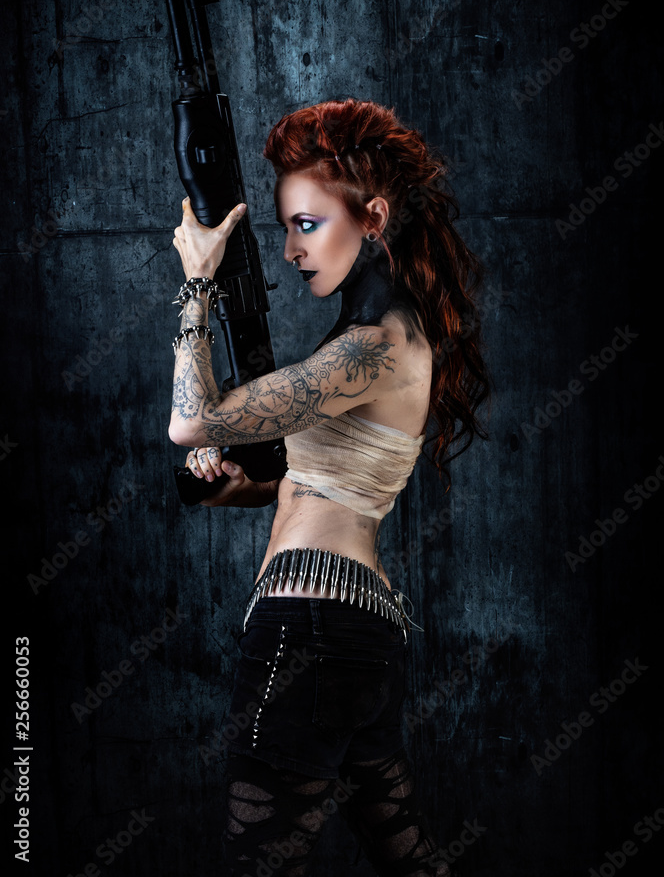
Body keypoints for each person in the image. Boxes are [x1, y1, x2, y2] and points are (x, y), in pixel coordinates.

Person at [169, 98, 490, 876]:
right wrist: (240, 484)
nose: (288, 250)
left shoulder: (371, 348)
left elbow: (190, 420)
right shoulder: (388, 332)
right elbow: (322, 485)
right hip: (356, 633)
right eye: (287, 228)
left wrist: (197, 282)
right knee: (409, 861)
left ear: (372, 217)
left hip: (308, 628)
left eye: (306, 225)